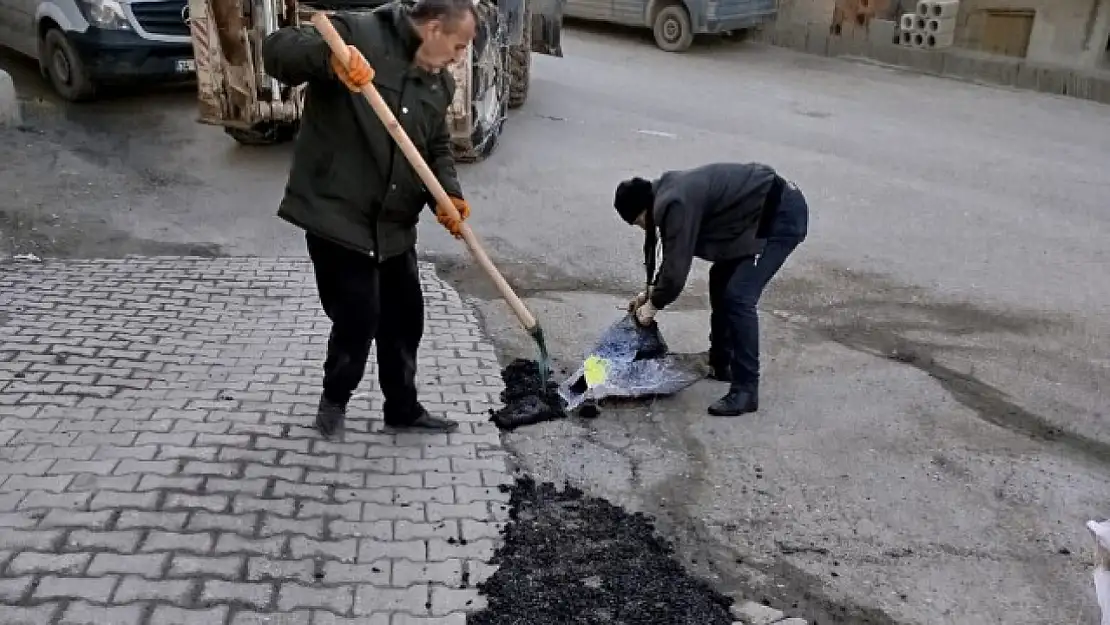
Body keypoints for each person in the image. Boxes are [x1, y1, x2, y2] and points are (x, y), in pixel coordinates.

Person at [262, 0, 479, 436]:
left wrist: (448, 195)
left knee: (405, 317)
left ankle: (402, 408)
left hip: (393, 224)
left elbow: (435, 147)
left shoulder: (440, 86)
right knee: (360, 316)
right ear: (433, 29)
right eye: (457, 47)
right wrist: (329, 60)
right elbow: (277, 50)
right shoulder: (359, 34)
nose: (458, 58)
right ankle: (334, 401)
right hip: (338, 213)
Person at [613, 162, 809, 417]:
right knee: (721, 278)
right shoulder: (667, 192)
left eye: (638, 222)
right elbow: (670, 253)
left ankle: (746, 389)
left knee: (739, 296)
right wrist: (648, 295)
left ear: (642, 211)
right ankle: (721, 362)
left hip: (778, 217)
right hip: (753, 218)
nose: (642, 228)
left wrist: (653, 306)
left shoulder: (673, 203)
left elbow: (676, 268)